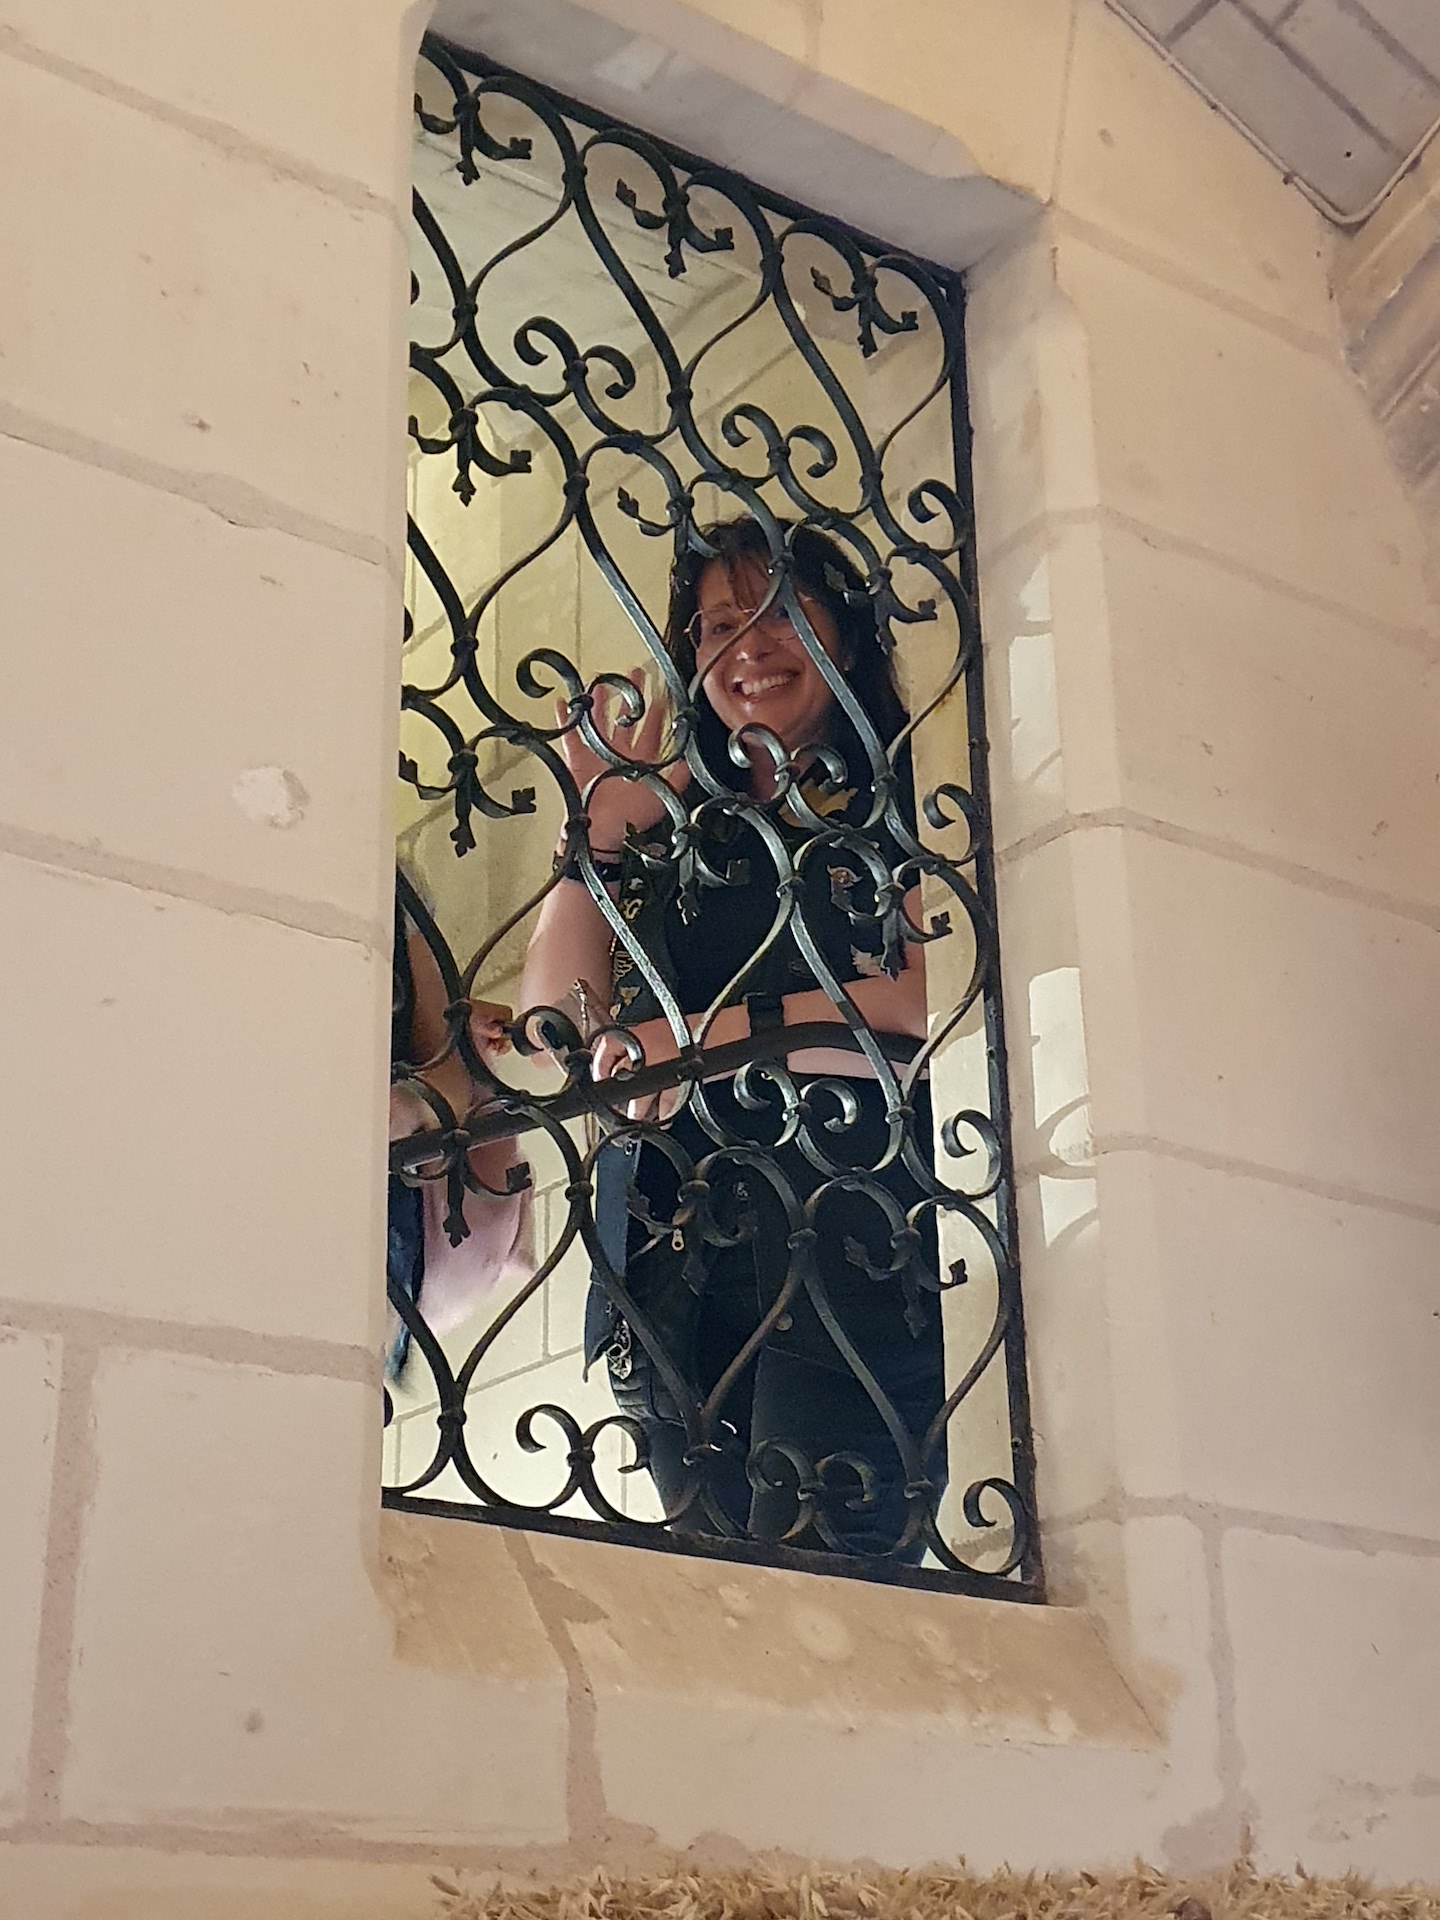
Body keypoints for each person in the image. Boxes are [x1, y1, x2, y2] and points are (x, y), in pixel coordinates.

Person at [519, 517, 947, 1560]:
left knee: (835, 1591)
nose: (748, 646)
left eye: (780, 611)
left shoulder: (907, 793)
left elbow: (922, 1002)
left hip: (844, 1243)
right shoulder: (680, 828)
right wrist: (593, 834)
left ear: (847, 633)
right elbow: (552, 1027)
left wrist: (707, 1039)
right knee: (715, 1603)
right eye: (718, 625)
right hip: (674, 1267)